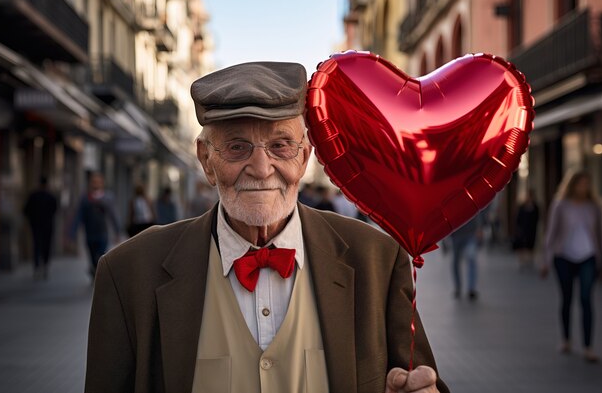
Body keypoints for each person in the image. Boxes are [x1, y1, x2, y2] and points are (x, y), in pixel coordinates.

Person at [85, 62, 449, 393]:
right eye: (237, 147)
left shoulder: (378, 260)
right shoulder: (129, 273)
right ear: (206, 160)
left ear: (305, 157)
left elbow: (419, 379)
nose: (261, 168)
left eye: (280, 145)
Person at [542, 170, 601, 363]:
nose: (584, 187)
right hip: (564, 256)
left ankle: (588, 346)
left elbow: (599, 233)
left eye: (587, 184)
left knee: (586, 298)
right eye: (581, 183)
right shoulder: (560, 205)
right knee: (567, 298)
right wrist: (546, 259)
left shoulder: (593, 206)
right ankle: (566, 339)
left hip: (588, 256)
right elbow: (551, 233)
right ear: (573, 184)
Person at [69, 171, 122, 276]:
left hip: (103, 233)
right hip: (90, 234)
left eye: (98, 182)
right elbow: (78, 216)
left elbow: (114, 215)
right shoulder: (85, 198)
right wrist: (72, 233)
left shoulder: (107, 197)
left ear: (102, 183)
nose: (95, 184)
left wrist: (117, 232)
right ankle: (94, 271)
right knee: (93, 257)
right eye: (94, 182)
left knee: (101, 257)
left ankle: (98, 275)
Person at [23, 176, 57, 280]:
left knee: (37, 245)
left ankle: (37, 266)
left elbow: (26, 210)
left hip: (36, 226)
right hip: (47, 226)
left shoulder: (33, 196)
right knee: (46, 246)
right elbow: (55, 210)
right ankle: (45, 265)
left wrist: (32, 220)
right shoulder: (50, 197)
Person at [449, 213, 483, 300]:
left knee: (471, 258)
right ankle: (458, 286)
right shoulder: (452, 202)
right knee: (456, 262)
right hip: (455, 234)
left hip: (470, 233)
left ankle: (471, 288)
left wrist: (479, 228)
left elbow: (477, 211)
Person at [512, 188, 539, 269]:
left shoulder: (535, 207)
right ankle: (522, 262)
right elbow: (518, 218)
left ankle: (530, 261)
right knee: (522, 245)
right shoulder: (522, 207)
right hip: (523, 229)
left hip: (532, 229)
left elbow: (537, 217)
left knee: (531, 245)